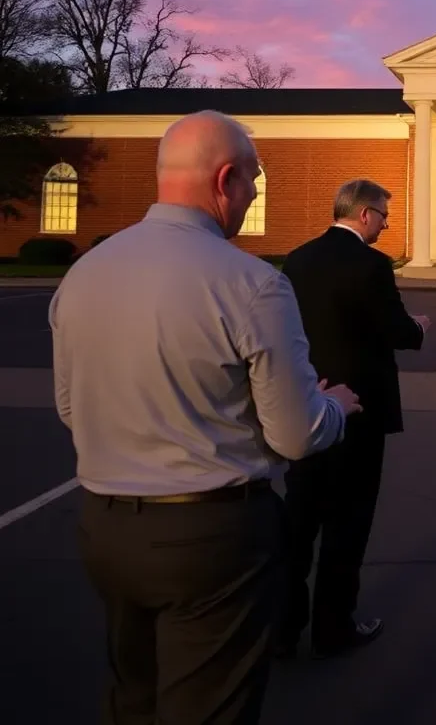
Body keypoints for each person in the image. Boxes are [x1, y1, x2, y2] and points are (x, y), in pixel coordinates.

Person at [49, 110, 362, 725]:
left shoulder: (84, 274)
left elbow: (69, 407)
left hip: (105, 530)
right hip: (213, 540)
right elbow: (296, 435)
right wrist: (336, 408)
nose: (251, 197)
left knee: (132, 700)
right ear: (225, 180)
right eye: (253, 182)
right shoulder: (249, 283)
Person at [277, 178, 430, 658]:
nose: (386, 224)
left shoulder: (297, 259)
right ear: (364, 215)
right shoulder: (371, 265)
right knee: (349, 524)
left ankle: (282, 631)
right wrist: (418, 328)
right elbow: (395, 330)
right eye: (384, 216)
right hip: (359, 411)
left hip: (307, 404)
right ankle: (333, 628)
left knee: (299, 522)